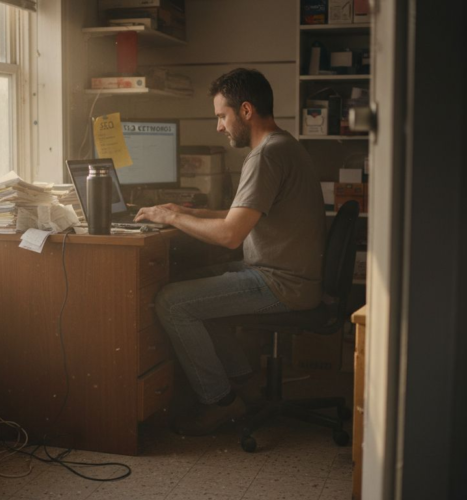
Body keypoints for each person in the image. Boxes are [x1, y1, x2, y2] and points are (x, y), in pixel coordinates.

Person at [134, 68, 326, 436]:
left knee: (172, 302)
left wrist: (169, 216)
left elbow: (229, 235)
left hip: (281, 282)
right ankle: (244, 387)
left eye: (222, 116)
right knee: (189, 284)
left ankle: (219, 402)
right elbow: (238, 214)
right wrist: (186, 213)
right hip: (285, 274)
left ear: (247, 110)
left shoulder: (265, 156)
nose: (219, 127)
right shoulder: (283, 145)